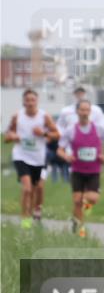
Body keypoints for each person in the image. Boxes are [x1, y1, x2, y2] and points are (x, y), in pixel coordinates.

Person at [4, 89, 59, 229]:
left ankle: (37, 211)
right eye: (27, 100)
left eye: (32, 100)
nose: (30, 103)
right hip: (21, 156)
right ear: (23, 102)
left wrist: (44, 133)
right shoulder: (17, 116)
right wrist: (12, 136)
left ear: (37, 101)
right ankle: (25, 219)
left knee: (38, 188)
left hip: (39, 158)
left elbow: (57, 135)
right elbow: (7, 136)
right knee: (27, 189)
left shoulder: (44, 117)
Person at [57, 99, 104, 237]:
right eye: (82, 110)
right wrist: (66, 157)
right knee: (77, 200)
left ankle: (84, 208)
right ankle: (79, 228)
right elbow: (60, 150)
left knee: (92, 198)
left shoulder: (98, 129)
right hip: (77, 170)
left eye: (87, 110)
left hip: (94, 170)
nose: (84, 113)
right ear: (77, 111)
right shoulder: (70, 130)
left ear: (90, 112)